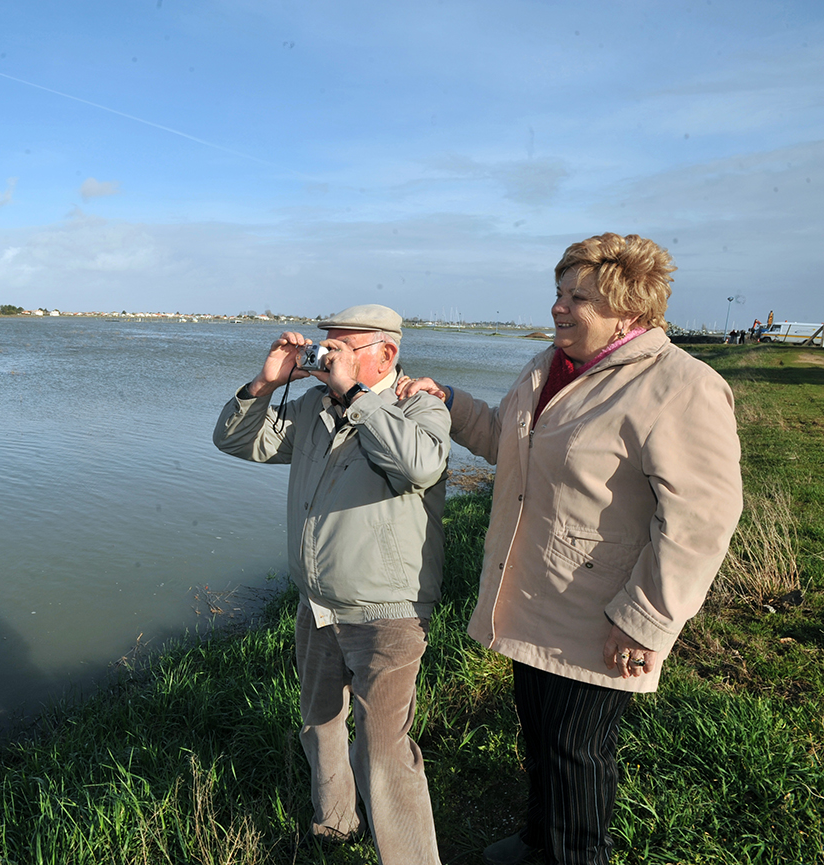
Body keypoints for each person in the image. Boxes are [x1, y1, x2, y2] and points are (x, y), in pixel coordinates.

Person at [399, 233, 742, 865]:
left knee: (577, 753)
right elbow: (506, 441)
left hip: (600, 611)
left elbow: (701, 521)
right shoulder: (548, 365)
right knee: (540, 732)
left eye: (578, 297)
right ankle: (538, 839)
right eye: (559, 292)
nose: (558, 308)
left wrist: (645, 620)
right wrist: (448, 400)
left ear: (629, 310)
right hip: (532, 593)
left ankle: (572, 852)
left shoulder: (679, 387)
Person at [213, 304, 451, 865]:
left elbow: (419, 466)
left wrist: (357, 398)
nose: (327, 357)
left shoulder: (420, 406)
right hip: (317, 604)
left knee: (383, 749)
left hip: (388, 609)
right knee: (320, 724)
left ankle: (410, 857)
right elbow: (237, 441)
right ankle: (335, 828)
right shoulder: (314, 406)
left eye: (343, 349)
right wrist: (265, 384)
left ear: (386, 354)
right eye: (326, 347)